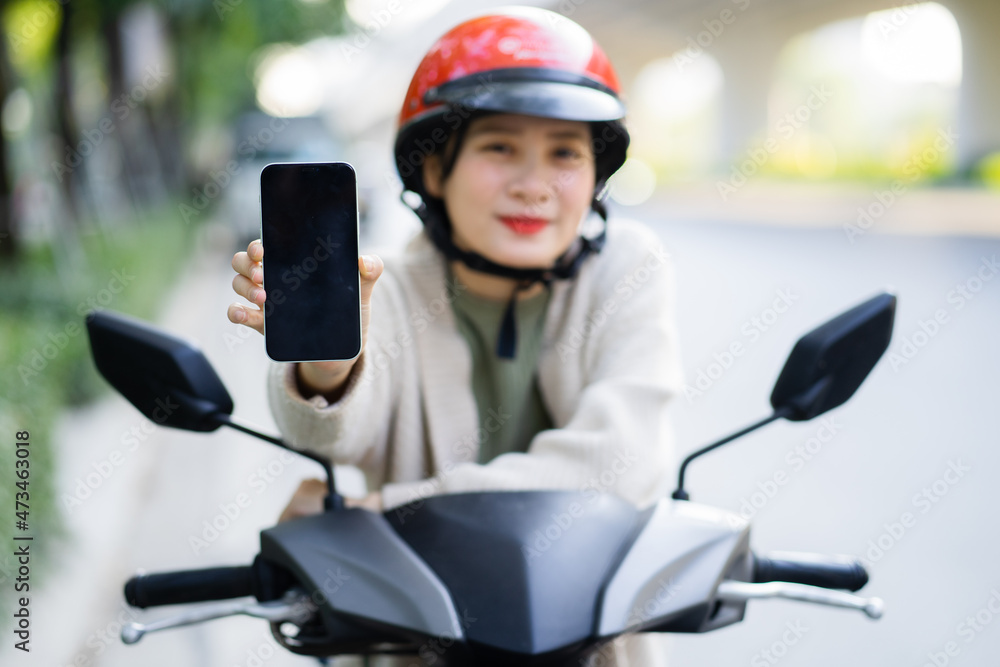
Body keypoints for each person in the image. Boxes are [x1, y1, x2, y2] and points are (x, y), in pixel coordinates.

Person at [228, 7, 682, 665]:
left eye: (565, 152)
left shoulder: (629, 266)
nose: (533, 185)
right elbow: (334, 428)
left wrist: (383, 508)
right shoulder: (385, 283)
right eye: (500, 147)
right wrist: (329, 361)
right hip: (412, 642)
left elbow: (620, 463)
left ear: (596, 175)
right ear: (434, 168)